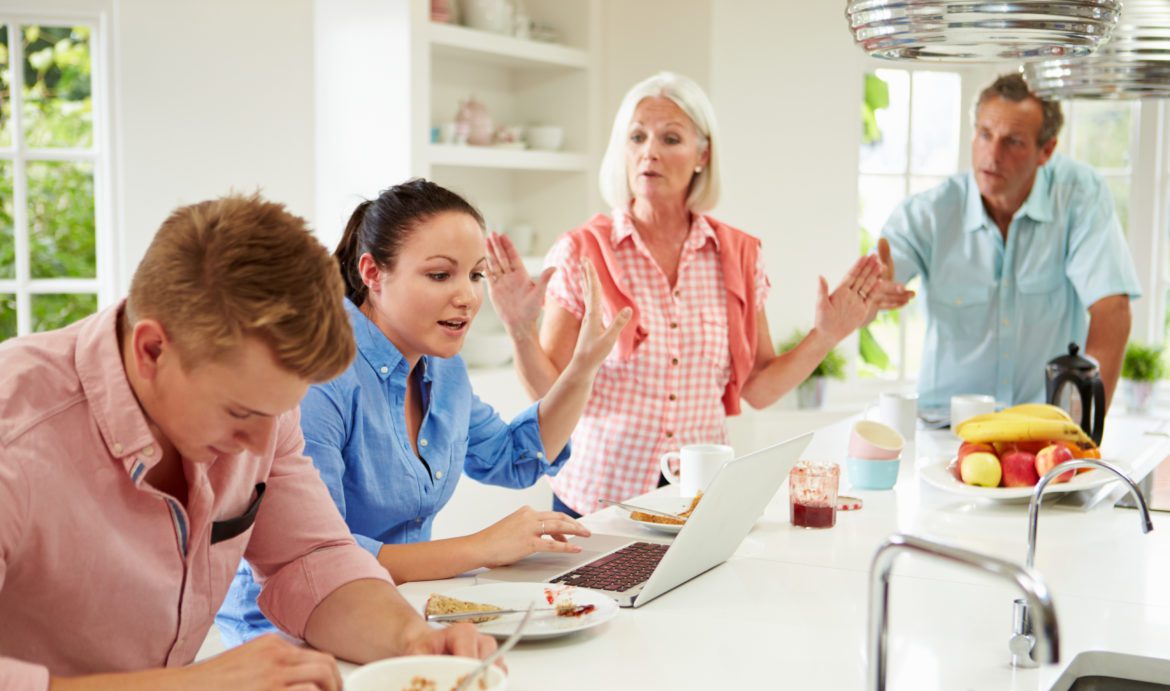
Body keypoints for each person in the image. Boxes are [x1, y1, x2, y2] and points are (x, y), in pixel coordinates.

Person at [0, 195, 495, 691]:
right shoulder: (17, 438)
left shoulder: (262, 401)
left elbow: (312, 556)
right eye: (239, 414)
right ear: (152, 349)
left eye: (277, 415)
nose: (260, 449)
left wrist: (411, 642)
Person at [216, 180, 630, 646]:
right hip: (290, 633)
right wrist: (481, 547)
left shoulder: (442, 367)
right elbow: (321, 557)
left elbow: (515, 457)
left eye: (476, 275)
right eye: (440, 275)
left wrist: (581, 368)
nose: (468, 297)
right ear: (372, 272)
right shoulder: (320, 377)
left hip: (400, 611)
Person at [484, 71, 881, 518]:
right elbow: (550, 392)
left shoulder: (738, 255)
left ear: (702, 155)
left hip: (697, 500)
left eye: (670, 138)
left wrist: (826, 335)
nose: (649, 151)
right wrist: (520, 331)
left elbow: (760, 388)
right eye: (637, 137)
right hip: (598, 500)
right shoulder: (582, 250)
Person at [872, 72, 1141, 412]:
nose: (992, 154)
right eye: (985, 134)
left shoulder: (1078, 196)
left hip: (1041, 430)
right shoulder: (929, 213)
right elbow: (869, 289)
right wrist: (873, 292)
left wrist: (1082, 424)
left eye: (1012, 141)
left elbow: (1112, 310)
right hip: (944, 426)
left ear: (1047, 150)